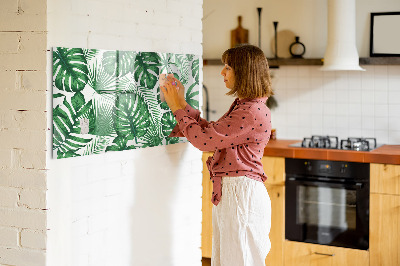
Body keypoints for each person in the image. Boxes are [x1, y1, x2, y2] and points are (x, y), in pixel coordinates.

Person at [161, 44, 273, 266]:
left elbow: (204, 141)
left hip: (241, 195)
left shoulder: (250, 111)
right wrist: (182, 103)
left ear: (244, 72)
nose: (222, 72)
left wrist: (176, 107)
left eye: (228, 67)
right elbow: (212, 133)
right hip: (236, 193)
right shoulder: (246, 106)